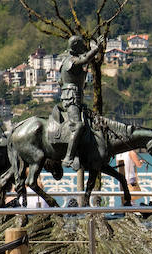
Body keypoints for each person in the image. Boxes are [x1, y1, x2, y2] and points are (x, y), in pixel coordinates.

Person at [58, 35, 101, 170]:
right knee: (78, 126)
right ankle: (68, 157)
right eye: (81, 45)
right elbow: (85, 58)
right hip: (71, 97)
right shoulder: (71, 61)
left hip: (76, 96)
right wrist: (96, 48)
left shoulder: (66, 60)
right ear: (75, 46)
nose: (84, 47)